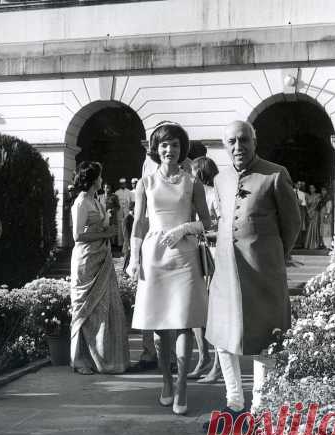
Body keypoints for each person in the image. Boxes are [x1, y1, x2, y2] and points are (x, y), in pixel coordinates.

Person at [204, 121, 300, 429]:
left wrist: (274, 258)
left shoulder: (275, 174)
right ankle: (234, 404)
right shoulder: (220, 179)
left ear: (254, 141)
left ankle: (260, 414)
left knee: (264, 341)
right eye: (231, 141)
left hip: (263, 274)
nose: (237, 146)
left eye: (243, 140)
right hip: (226, 272)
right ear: (225, 144)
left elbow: (293, 224)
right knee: (221, 336)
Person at [126, 121, 211, 415]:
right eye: (164, 144)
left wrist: (185, 228)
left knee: (185, 322)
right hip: (154, 256)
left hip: (185, 257)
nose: (169, 150)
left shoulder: (193, 182)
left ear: (181, 148)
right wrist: (134, 259)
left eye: (175, 145)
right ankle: (166, 381)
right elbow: (138, 223)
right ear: (156, 148)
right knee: (161, 327)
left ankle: (183, 387)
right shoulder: (145, 183)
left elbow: (208, 224)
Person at [70, 161, 130, 375]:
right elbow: (77, 236)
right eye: (100, 177)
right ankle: (80, 360)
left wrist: (108, 226)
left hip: (101, 257)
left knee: (103, 307)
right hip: (86, 259)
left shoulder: (95, 200)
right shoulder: (81, 203)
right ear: (93, 179)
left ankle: (102, 358)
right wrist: (105, 234)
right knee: (84, 308)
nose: (102, 180)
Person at [187, 156, 222, 384]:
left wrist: (203, 233)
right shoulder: (192, 195)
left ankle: (218, 365)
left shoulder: (215, 195)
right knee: (194, 310)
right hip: (196, 254)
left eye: (192, 171)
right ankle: (204, 358)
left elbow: (224, 227)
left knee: (215, 313)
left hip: (213, 254)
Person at [98, 183, 120, 248]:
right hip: (102, 218)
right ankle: (103, 246)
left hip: (111, 217)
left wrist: (112, 210)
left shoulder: (114, 197)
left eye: (108, 187)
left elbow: (118, 207)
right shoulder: (99, 197)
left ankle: (111, 247)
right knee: (103, 232)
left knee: (111, 232)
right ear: (103, 188)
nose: (107, 189)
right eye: (106, 187)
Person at [115, 178, 132, 248]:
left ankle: (127, 244)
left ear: (126, 183)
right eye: (121, 183)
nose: (123, 184)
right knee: (120, 228)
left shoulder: (129, 192)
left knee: (127, 227)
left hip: (127, 212)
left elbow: (132, 202)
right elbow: (115, 203)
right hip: (119, 212)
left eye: (124, 183)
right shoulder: (116, 192)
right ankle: (120, 244)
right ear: (120, 184)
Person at [304, 184, 321, 249]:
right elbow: (306, 205)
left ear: (315, 189)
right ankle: (308, 244)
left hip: (315, 213)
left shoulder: (318, 195)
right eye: (310, 188)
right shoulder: (307, 196)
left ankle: (315, 244)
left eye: (313, 188)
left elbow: (317, 205)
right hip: (309, 214)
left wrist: (311, 212)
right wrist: (308, 213)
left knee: (315, 227)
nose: (311, 189)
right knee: (309, 228)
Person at [293, 180, 307, 248]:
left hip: (299, 210)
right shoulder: (290, 192)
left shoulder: (302, 193)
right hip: (292, 211)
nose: (298, 185)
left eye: (299, 184)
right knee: (292, 227)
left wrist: (300, 202)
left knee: (299, 227)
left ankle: (299, 244)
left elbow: (304, 203)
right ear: (294, 184)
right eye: (297, 184)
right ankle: (292, 244)